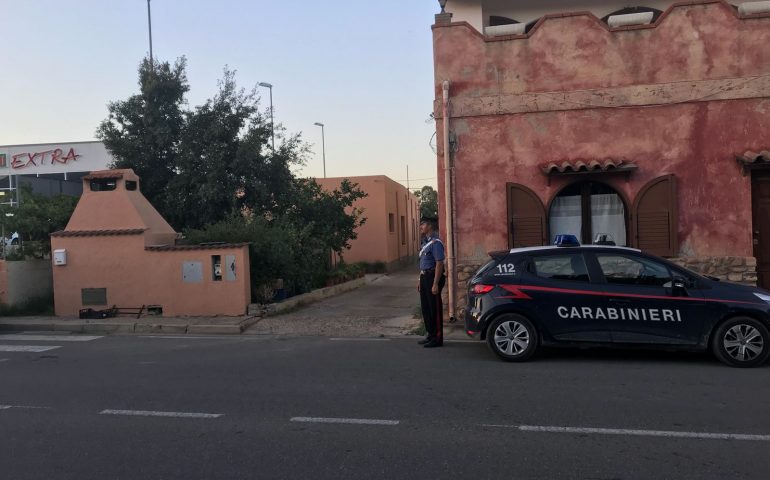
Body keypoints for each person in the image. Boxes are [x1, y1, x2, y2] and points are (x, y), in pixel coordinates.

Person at [417, 216, 446, 348]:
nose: (421, 227)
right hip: (424, 277)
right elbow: (423, 263)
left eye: (423, 224)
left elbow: (439, 263)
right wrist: (419, 279)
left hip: (432, 277)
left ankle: (437, 338)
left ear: (429, 225)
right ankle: (430, 334)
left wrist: (435, 283)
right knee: (426, 308)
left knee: (434, 308)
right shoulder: (425, 242)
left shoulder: (436, 243)